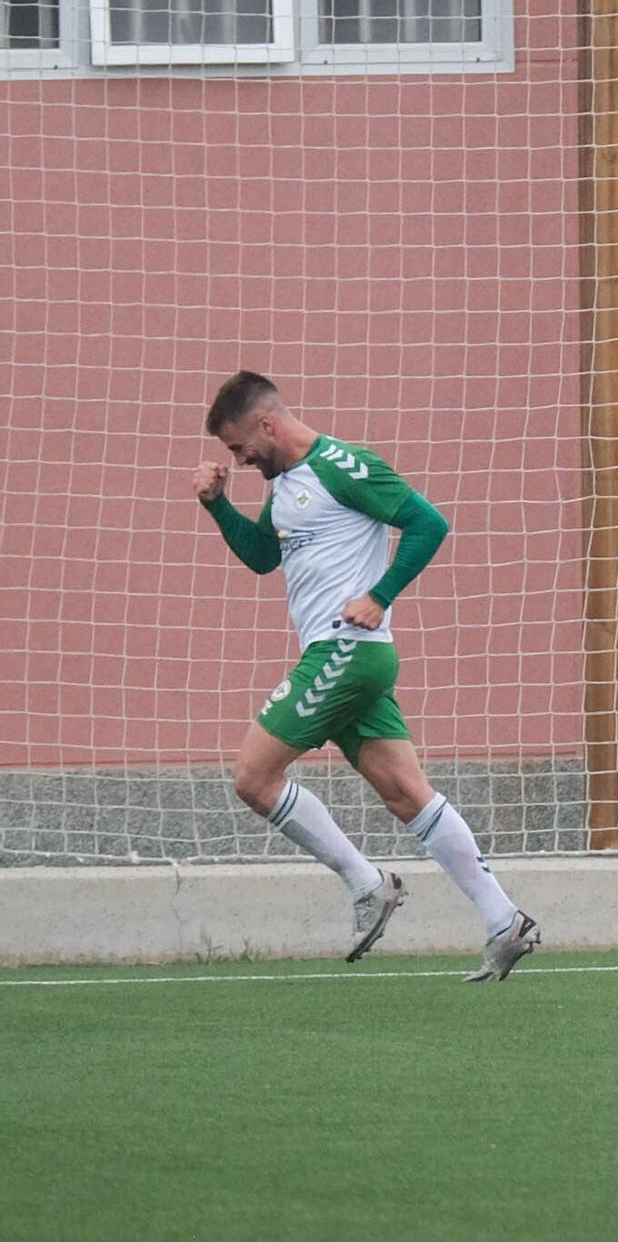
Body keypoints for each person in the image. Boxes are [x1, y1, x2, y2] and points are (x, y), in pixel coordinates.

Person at [195, 371, 539, 981]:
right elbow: (262, 557)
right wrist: (218, 505)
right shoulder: (287, 486)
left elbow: (428, 522)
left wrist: (380, 594)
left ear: (267, 424)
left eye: (237, 446)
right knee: (407, 794)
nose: (238, 459)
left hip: (344, 650)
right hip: (350, 659)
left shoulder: (344, 465)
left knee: (253, 778)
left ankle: (367, 883)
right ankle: (504, 920)